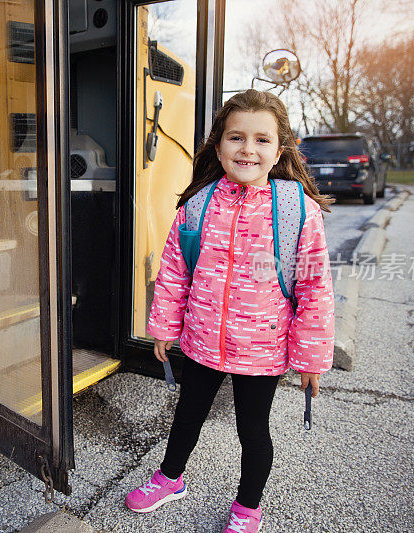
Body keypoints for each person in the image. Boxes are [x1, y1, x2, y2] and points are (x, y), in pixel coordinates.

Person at [124, 89, 335, 533]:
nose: (248, 149)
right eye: (236, 138)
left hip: (263, 350)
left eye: (262, 140)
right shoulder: (198, 205)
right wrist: (164, 325)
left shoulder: (297, 211)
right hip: (202, 341)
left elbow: (315, 287)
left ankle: (247, 508)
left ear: (279, 150)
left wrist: (311, 359)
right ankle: (169, 478)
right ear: (218, 145)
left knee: (252, 431)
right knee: (187, 415)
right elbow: (174, 271)